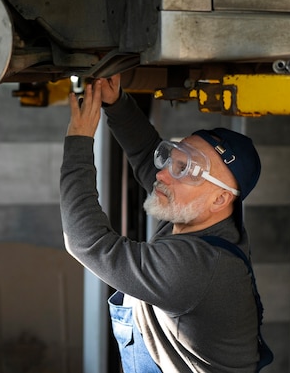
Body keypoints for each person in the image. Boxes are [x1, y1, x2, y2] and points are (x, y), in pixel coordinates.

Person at [60, 75, 272, 372]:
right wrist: (117, 102)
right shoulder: (196, 217)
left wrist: (79, 140)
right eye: (173, 160)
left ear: (220, 199)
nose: (163, 175)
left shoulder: (195, 266)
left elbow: (88, 242)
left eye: (186, 169)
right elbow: (148, 156)